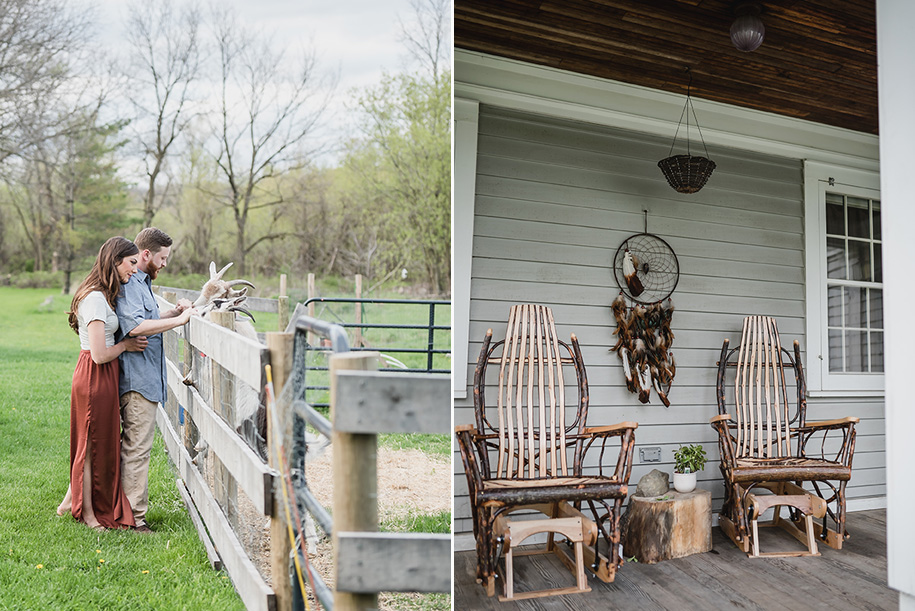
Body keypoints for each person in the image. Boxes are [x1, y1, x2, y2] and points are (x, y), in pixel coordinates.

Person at [57, 237, 149, 531]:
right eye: (131, 263)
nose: (134, 270)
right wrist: (127, 346)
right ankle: (88, 515)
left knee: (96, 440)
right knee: (90, 446)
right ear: (115, 260)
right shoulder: (95, 299)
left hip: (105, 376)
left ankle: (68, 502)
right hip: (95, 375)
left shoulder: (103, 294)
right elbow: (98, 354)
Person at [116, 227, 196, 533]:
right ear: (146, 254)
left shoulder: (143, 283)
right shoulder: (132, 283)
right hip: (137, 381)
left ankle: (122, 512)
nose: (164, 264)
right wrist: (179, 320)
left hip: (145, 378)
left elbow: (148, 317)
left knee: (134, 447)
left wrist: (173, 311)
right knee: (137, 449)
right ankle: (133, 520)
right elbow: (135, 326)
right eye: (162, 258)